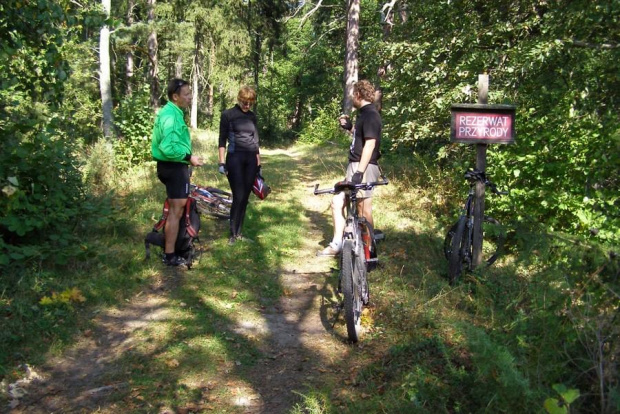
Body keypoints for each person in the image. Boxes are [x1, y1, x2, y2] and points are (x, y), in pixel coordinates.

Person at [317, 80, 382, 256]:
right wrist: (350, 128)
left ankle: (369, 253)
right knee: (337, 202)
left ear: (358, 95)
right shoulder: (364, 115)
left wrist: (360, 172)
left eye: (353, 94)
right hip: (354, 165)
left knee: (363, 209)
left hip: (363, 167)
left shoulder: (371, 115)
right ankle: (338, 244)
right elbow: (361, 137)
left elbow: (370, 144)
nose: (352, 97)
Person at [151, 78, 204, 266]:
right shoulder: (171, 116)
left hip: (173, 166)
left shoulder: (172, 112)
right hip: (173, 168)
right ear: (175, 97)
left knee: (178, 209)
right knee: (176, 211)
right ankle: (170, 254)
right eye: (187, 94)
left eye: (190, 93)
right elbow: (167, 147)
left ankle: (175, 247)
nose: (190, 97)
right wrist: (189, 157)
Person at [218, 86, 262, 244]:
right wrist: (221, 162)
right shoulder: (228, 114)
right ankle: (232, 234)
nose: (247, 105)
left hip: (250, 159)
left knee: (245, 198)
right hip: (234, 159)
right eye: (245, 102)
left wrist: (259, 165)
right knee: (238, 196)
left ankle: (239, 232)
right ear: (239, 99)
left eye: (250, 103)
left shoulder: (252, 116)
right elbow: (222, 140)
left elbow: (256, 142)